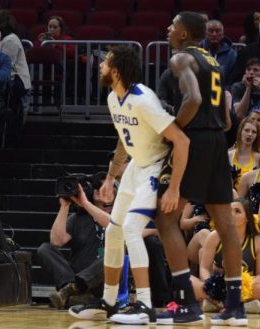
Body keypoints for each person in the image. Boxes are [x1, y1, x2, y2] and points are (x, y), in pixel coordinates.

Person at [70, 46, 189, 324]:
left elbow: (181, 140)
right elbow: (125, 139)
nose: (100, 66)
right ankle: (109, 302)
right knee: (114, 231)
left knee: (133, 229)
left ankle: (145, 306)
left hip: (156, 168)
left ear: (116, 70)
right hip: (135, 167)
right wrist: (111, 176)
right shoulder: (114, 98)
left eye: (105, 63)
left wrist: (174, 187)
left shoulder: (144, 100)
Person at [155, 12, 243, 324]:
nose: (167, 29)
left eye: (172, 25)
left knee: (166, 220)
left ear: (183, 33)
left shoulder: (180, 59)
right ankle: (235, 306)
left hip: (195, 140)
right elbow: (229, 117)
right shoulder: (212, 60)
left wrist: (175, 130)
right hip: (218, 140)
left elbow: (191, 99)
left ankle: (185, 303)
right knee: (225, 224)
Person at [39, 172, 116, 310]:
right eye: (97, 186)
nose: (100, 190)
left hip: (103, 279)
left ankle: (71, 292)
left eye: (106, 187)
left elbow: (114, 226)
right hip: (75, 274)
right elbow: (56, 241)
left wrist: (85, 203)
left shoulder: (119, 214)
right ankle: (74, 291)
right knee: (45, 249)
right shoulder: (79, 218)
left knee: (113, 255)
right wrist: (64, 206)